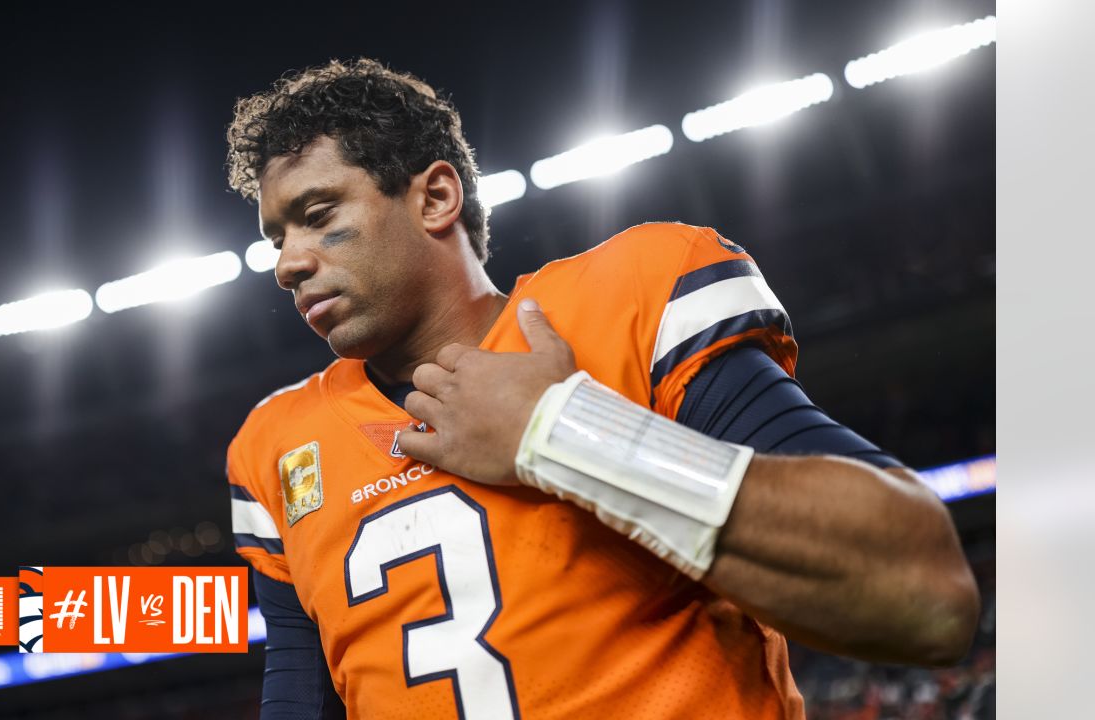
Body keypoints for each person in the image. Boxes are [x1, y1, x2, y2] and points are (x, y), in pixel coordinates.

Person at [223, 58, 979, 720]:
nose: (289, 262)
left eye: (319, 217)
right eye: (276, 238)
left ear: (434, 199)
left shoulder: (630, 296)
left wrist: (565, 432)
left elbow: (926, 592)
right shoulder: (277, 447)